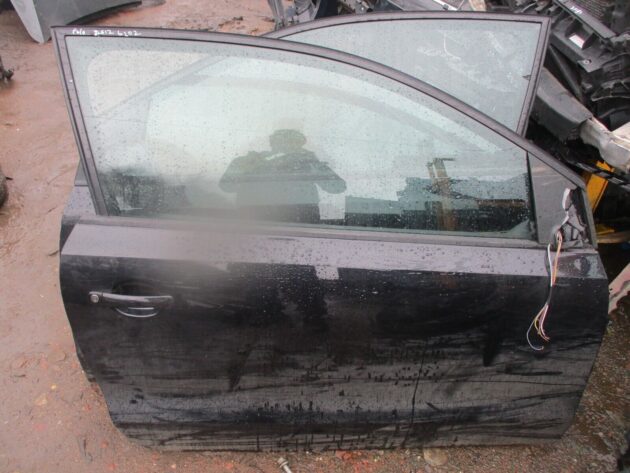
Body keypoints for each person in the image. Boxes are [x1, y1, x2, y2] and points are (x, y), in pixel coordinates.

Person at [219, 129, 346, 224]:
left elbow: (337, 187)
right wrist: (247, 167)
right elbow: (227, 186)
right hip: (253, 225)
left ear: (300, 146)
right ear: (272, 143)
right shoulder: (251, 161)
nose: (287, 146)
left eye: (293, 143)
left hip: (304, 228)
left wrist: (315, 165)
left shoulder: (309, 164)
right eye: (282, 142)